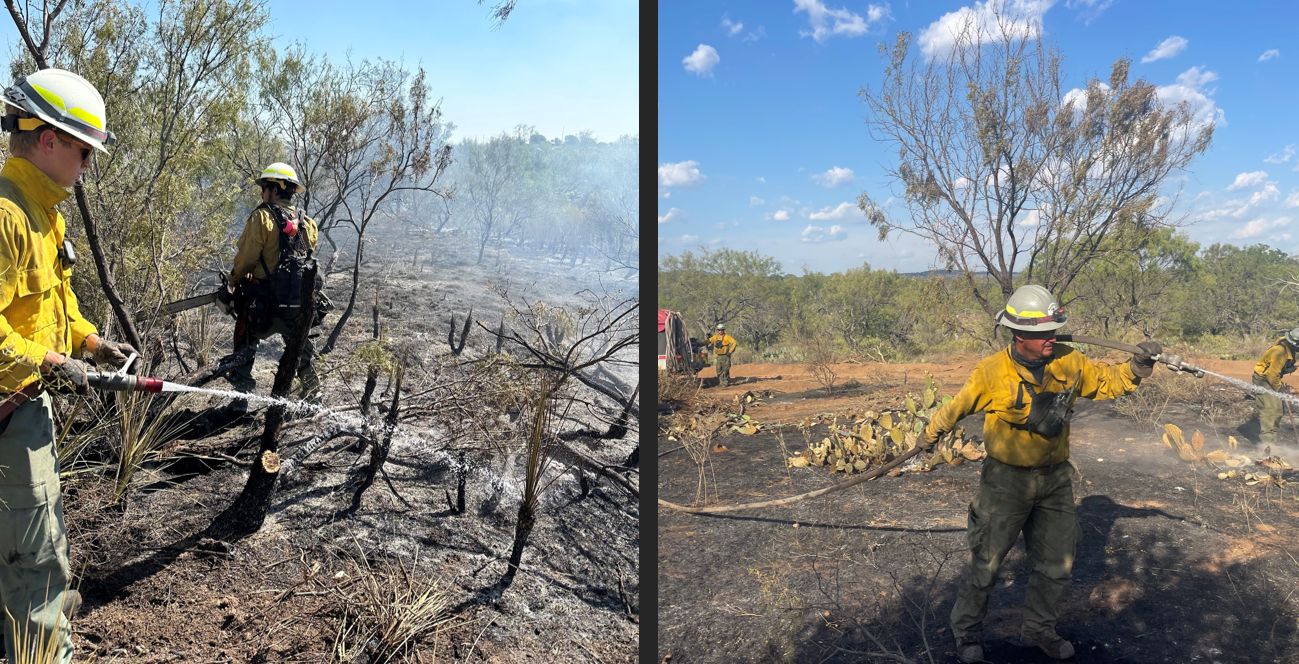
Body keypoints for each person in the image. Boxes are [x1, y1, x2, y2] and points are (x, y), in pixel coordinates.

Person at [920, 285, 1160, 663]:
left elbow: (1107, 381)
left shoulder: (1071, 362)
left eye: (1054, 329)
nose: (1051, 337)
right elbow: (956, 407)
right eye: (1042, 333)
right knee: (987, 561)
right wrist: (928, 436)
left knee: (1057, 563)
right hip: (1005, 482)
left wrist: (1137, 369)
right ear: (1018, 334)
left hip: (1055, 480)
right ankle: (967, 634)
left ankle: (1039, 631)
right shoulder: (991, 371)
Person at [0, 68, 137, 663]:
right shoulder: (8, 214)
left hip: (26, 405)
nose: (87, 165)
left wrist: (89, 343)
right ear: (48, 139)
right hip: (12, 415)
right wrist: (49, 360)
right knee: (39, 556)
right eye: (84, 151)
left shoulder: (43, 213)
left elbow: (55, 305)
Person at [226, 162, 323, 410]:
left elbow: (247, 258)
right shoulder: (307, 223)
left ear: (275, 189)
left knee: (245, 338)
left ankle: (241, 400)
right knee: (303, 350)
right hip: (298, 304)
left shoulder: (262, 217)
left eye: (265, 188)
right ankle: (314, 402)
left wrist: (234, 280)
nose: (262, 193)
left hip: (264, 302)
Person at [1252, 328, 1299, 447]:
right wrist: (1278, 388)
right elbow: (1271, 375)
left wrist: (1287, 368)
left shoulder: (1288, 347)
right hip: (1264, 380)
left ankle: (1273, 441)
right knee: (1269, 411)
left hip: (1273, 380)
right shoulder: (1280, 352)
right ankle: (1267, 447)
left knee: (1278, 411)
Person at [705, 323, 736, 387]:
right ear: (717, 330)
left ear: (724, 330)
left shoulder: (727, 337)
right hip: (719, 356)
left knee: (725, 369)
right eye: (719, 330)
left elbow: (734, 343)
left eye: (722, 330)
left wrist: (730, 351)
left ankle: (725, 382)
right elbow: (708, 341)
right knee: (718, 369)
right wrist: (698, 344)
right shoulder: (715, 337)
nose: (720, 331)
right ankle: (721, 382)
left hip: (726, 356)